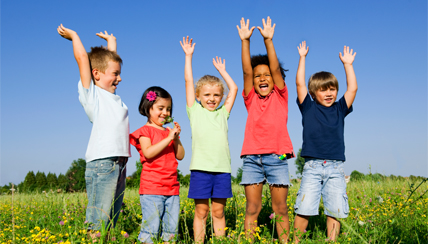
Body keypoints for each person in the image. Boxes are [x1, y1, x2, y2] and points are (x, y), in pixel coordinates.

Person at [57, 25, 130, 233]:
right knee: (98, 219)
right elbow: (82, 59)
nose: (120, 78)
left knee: (112, 219)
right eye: (115, 74)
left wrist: (112, 43)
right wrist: (74, 36)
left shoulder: (113, 98)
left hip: (119, 162)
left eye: (120, 73)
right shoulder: (93, 96)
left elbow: (110, 62)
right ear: (96, 74)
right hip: (103, 163)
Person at [236, 17, 294, 243]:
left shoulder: (280, 96)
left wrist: (268, 40)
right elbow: (246, 73)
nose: (262, 78)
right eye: (259, 75)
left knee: (280, 208)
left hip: (278, 156)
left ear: (275, 79)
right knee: (252, 208)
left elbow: (276, 69)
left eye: (267, 75)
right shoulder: (250, 98)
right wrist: (245, 42)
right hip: (251, 158)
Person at [293, 41, 357, 242]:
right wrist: (302, 58)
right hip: (312, 166)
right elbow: (300, 84)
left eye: (332, 89)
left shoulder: (340, 109)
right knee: (304, 207)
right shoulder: (308, 108)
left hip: (336, 167)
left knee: (335, 209)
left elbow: (353, 88)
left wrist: (348, 65)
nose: (329, 93)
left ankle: (331, 241)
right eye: (323, 90)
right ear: (313, 94)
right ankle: (295, 240)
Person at [180, 36, 238, 243]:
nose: (212, 98)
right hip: (201, 170)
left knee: (218, 212)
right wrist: (189, 56)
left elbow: (234, 90)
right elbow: (188, 80)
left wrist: (223, 72)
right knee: (201, 211)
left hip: (222, 170)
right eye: (206, 95)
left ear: (221, 97)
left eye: (216, 95)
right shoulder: (194, 111)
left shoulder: (224, 113)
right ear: (198, 96)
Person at [130, 86, 185, 243]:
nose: (165, 113)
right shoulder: (144, 131)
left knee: (171, 229)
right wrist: (168, 138)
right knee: (151, 228)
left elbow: (180, 155)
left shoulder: (168, 133)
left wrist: (175, 138)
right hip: (152, 188)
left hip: (172, 188)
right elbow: (148, 153)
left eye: (168, 109)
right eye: (160, 108)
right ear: (148, 107)